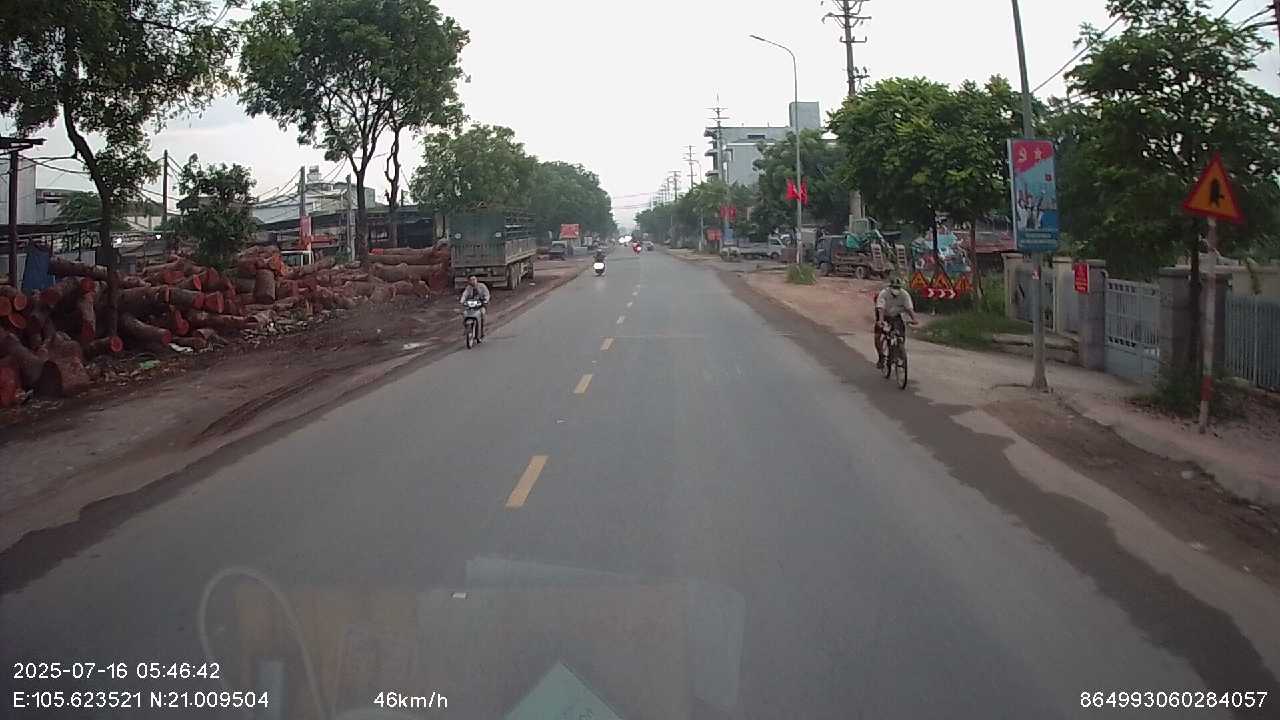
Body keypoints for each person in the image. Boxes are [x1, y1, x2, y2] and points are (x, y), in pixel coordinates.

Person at [875, 276, 918, 369]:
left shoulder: (904, 294)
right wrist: (881, 321)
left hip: (896, 315)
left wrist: (914, 319)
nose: (896, 290)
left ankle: (900, 353)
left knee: (901, 333)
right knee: (878, 335)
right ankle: (881, 357)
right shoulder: (884, 293)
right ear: (890, 287)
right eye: (894, 287)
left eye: (898, 287)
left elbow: (909, 308)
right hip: (883, 314)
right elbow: (881, 308)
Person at [460, 275, 490, 341]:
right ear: (469, 281)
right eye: (471, 280)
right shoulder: (468, 288)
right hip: (471, 306)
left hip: (481, 305)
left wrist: (486, 300)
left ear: (476, 280)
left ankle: (482, 332)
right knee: (464, 314)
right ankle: (467, 328)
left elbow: (487, 294)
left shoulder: (482, 286)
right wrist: (462, 300)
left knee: (482, 314)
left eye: (474, 279)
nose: (473, 281)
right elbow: (464, 294)